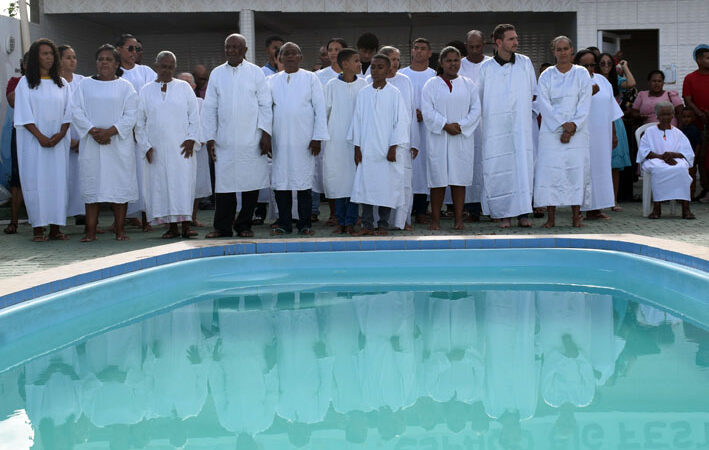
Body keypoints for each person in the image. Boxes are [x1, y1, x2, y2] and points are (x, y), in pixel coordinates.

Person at [202, 34, 273, 238]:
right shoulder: (216, 74)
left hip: (251, 138)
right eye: (228, 47)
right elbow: (209, 107)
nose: (231, 50)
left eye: (235, 47)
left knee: (250, 184)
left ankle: (244, 225)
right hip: (224, 140)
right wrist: (210, 137)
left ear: (245, 51)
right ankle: (222, 227)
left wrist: (266, 134)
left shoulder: (256, 73)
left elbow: (265, 105)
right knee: (224, 186)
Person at [72, 44, 139, 241]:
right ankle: (90, 231)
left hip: (117, 145)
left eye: (109, 59)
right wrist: (93, 131)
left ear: (117, 63)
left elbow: (131, 114)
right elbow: (76, 110)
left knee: (119, 186)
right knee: (92, 186)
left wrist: (110, 132)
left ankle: (120, 230)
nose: (104, 62)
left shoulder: (126, 87)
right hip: (92, 144)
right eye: (101, 59)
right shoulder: (84, 84)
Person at [478, 24, 536, 228]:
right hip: (496, 130)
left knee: (522, 168)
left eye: (516, 38)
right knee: (499, 169)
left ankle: (523, 213)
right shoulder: (485, 68)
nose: (516, 42)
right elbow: (479, 99)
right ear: (499, 42)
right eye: (511, 39)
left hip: (521, 128)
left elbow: (532, 93)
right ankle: (503, 214)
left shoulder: (525, 63)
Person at [136, 51, 200, 239]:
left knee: (183, 184)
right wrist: (145, 146)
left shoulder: (184, 88)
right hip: (156, 149)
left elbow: (194, 117)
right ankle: (172, 227)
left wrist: (191, 139)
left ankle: (186, 226)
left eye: (170, 67)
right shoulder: (146, 90)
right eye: (163, 66)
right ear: (156, 67)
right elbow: (139, 122)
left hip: (182, 148)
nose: (167, 70)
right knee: (162, 185)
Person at [14, 38, 72, 242]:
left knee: (57, 182)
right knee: (35, 181)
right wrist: (40, 136)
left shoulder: (62, 83)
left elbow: (69, 112)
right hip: (33, 143)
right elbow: (23, 114)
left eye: (51, 54)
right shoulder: (25, 83)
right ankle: (38, 228)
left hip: (58, 142)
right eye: (44, 53)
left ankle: (56, 227)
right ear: (35, 57)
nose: (48, 57)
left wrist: (61, 134)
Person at [268, 42, 328, 235]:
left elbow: (320, 109)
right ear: (280, 59)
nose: (290, 57)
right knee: (281, 183)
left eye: (294, 54)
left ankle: (304, 224)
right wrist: (266, 136)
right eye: (286, 54)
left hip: (305, 141)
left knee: (303, 183)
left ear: (301, 58)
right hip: (279, 141)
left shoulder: (311, 78)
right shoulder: (271, 81)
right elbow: (265, 111)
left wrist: (317, 137)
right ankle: (284, 223)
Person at [533, 36, 592, 228]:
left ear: (571, 50)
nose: (563, 52)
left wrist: (573, 126)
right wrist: (561, 125)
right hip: (551, 132)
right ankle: (551, 218)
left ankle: (576, 216)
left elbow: (585, 102)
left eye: (566, 48)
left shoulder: (581, 73)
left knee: (575, 171)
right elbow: (544, 103)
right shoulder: (547, 75)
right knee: (551, 172)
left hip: (577, 131)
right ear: (554, 52)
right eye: (559, 49)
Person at [349, 54, 409, 236]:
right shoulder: (363, 93)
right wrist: (357, 147)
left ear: (389, 70)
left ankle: (382, 224)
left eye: (380, 67)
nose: (376, 71)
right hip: (367, 150)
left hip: (386, 151)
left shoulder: (394, 94)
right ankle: (367, 224)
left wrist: (393, 147)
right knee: (366, 187)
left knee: (386, 187)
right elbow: (357, 121)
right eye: (373, 67)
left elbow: (401, 122)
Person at [421, 46, 481, 231]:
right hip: (439, 138)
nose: (453, 64)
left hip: (461, 138)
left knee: (459, 179)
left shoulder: (468, 84)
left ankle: (458, 219)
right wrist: (445, 125)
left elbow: (476, 110)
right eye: (449, 60)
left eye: (456, 60)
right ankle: (436, 220)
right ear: (441, 63)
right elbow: (427, 110)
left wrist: (460, 125)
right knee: (438, 179)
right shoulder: (431, 84)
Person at [323, 48, 368, 234]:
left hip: (358, 142)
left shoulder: (364, 85)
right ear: (345, 64)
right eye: (356, 61)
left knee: (354, 182)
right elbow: (324, 113)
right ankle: (340, 220)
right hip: (336, 142)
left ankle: (351, 221)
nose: (360, 64)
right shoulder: (331, 86)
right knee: (338, 182)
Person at [116, 33, 157, 230]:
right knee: (124, 174)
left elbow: (152, 99)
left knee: (144, 174)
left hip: (142, 131)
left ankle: (146, 216)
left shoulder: (146, 72)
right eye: (130, 48)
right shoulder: (113, 73)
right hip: (121, 132)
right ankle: (124, 218)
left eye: (137, 49)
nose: (134, 53)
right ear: (119, 50)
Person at [577, 49, 624, 220]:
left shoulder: (603, 81)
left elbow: (611, 109)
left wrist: (613, 133)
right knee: (585, 170)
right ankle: (580, 210)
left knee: (601, 169)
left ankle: (596, 209)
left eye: (592, 64)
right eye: (585, 65)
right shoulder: (574, 81)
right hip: (583, 133)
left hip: (602, 134)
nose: (589, 68)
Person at [376, 46, 419, 231]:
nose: (393, 63)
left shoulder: (405, 81)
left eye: (396, 59)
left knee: (403, 182)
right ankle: (380, 220)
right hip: (377, 142)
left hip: (402, 142)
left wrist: (414, 141)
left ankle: (402, 220)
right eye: (389, 59)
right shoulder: (370, 80)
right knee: (380, 182)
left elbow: (410, 112)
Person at [637, 102, 695, 219]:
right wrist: (662, 157)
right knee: (658, 168)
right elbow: (644, 152)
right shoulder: (649, 132)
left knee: (682, 168)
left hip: (675, 159)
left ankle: (686, 208)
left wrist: (672, 155)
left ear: (672, 115)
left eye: (668, 114)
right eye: (662, 115)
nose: (665, 117)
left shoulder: (678, 133)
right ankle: (657, 208)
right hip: (655, 160)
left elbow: (687, 153)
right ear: (657, 116)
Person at [400, 38, 436, 224]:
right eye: (416, 48)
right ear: (411, 51)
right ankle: (406, 207)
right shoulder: (401, 74)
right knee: (408, 166)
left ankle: (422, 209)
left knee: (424, 167)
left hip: (427, 131)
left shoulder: (435, 75)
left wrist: (426, 115)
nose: (419, 51)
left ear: (430, 53)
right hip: (405, 130)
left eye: (423, 48)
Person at [314, 37, 347, 225]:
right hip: (327, 132)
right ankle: (334, 213)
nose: (333, 53)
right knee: (330, 173)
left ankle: (349, 213)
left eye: (337, 49)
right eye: (331, 49)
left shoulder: (356, 75)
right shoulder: (319, 76)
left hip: (347, 132)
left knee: (348, 172)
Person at [598, 52, 632, 211]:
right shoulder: (592, 79)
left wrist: (624, 67)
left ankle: (614, 200)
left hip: (615, 121)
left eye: (609, 63)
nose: (605, 66)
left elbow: (631, 83)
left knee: (615, 165)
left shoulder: (615, 81)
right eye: (602, 63)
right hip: (597, 121)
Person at [177, 71, 212, 227]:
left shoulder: (201, 103)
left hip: (197, 149)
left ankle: (193, 216)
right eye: (181, 81)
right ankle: (174, 220)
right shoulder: (171, 101)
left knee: (196, 185)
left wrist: (198, 140)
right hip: (177, 150)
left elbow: (205, 124)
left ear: (194, 85)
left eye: (188, 82)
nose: (185, 85)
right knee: (177, 184)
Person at [58, 44, 86, 224]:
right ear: (58, 60)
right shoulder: (53, 82)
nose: (72, 60)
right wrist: (66, 140)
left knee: (81, 178)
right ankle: (58, 217)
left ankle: (82, 215)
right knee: (62, 178)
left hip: (82, 137)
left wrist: (82, 139)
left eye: (74, 57)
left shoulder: (83, 81)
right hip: (59, 138)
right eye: (68, 57)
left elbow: (88, 109)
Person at [3, 52, 27, 235]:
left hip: (45, 134)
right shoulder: (16, 82)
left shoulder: (53, 83)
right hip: (21, 133)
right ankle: (14, 221)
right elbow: (13, 101)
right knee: (17, 178)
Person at [682, 44, 709, 201]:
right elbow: (687, 98)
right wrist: (698, 113)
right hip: (698, 125)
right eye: (707, 57)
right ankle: (705, 188)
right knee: (700, 157)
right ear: (699, 60)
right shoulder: (690, 78)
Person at [679, 108, 702, 197]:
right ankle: (681, 195)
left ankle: (690, 195)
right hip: (682, 157)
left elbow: (698, 144)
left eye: (688, 117)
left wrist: (695, 156)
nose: (686, 119)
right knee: (682, 176)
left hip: (691, 158)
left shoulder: (694, 129)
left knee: (691, 176)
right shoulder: (681, 129)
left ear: (694, 118)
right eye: (684, 117)